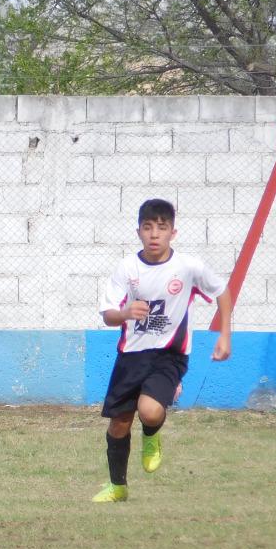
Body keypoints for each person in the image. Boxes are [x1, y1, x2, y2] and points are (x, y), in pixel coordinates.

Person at [93, 198, 233, 503]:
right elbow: (107, 315)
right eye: (147, 227)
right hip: (131, 356)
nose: (154, 234)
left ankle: (152, 434)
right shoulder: (127, 267)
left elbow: (222, 291)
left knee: (149, 411)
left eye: (162, 227)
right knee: (119, 423)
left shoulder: (187, 267)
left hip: (169, 355)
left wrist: (225, 335)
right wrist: (126, 313)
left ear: (173, 232)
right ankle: (117, 486)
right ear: (138, 232)